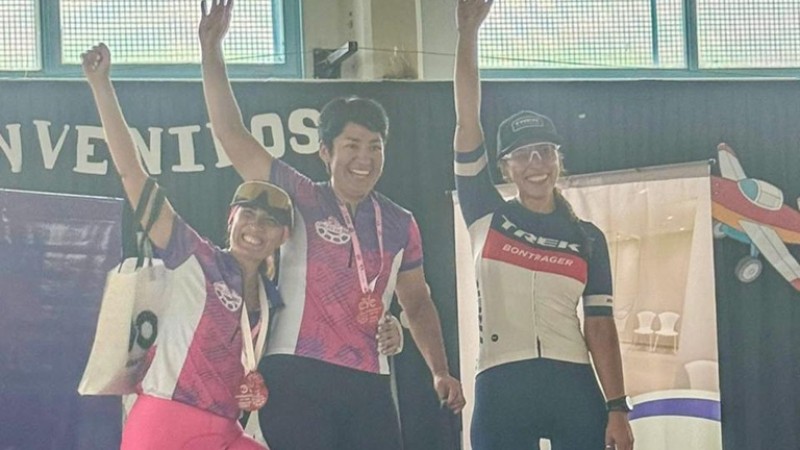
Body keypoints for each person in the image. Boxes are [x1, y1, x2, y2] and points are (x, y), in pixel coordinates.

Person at [81, 43, 402, 449]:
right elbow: (133, 174)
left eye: (270, 221)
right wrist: (101, 85)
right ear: (230, 220)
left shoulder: (271, 301)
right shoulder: (194, 258)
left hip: (224, 429)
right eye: (247, 215)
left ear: (284, 236)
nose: (256, 227)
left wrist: (391, 325)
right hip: (165, 420)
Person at [199, 1, 465, 449]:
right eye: (352, 145)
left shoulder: (400, 222)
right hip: (296, 371)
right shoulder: (300, 196)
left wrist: (439, 369)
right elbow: (231, 134)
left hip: (369, 377)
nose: (365, 158)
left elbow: (418, 302)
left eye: (375, 146)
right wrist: (211, 50)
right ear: (326, 151)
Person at [452, 1, 635, 450]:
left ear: (557, 160)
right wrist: (467, 34)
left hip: (571, 380)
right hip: (501, 380)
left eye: (544, 151)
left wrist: (617, 407)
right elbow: (467, 120)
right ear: (505, 166)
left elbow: (600, 325)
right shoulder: (485, 213)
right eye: (522, 154)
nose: (535, 162)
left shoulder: (587, 237)